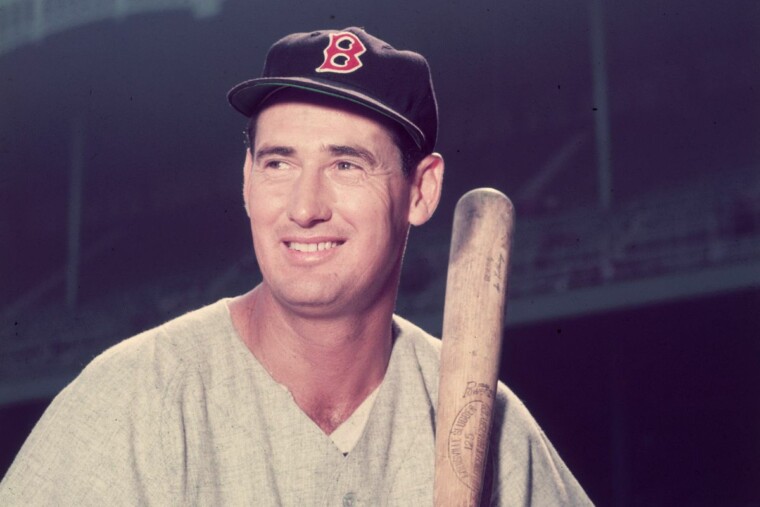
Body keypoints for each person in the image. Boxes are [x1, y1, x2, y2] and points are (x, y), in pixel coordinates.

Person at [0, 27, 592, 505]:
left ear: (421, 190)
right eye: (279, 164)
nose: (305, 208)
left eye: (346, 165)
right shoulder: (133, 398)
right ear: (247, 180)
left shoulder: (484, 422)